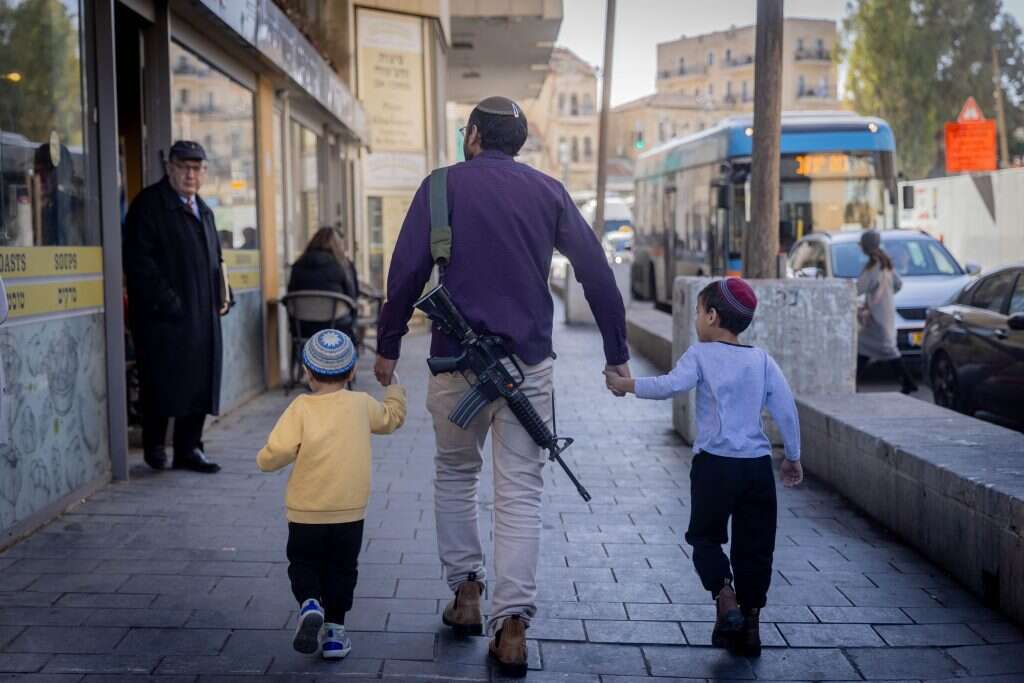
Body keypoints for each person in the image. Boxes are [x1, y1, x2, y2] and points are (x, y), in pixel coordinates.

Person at [374, 96, 629, 677]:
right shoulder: (548, 192)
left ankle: (467, 594)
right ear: (520, 143)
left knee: (456, 475)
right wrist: (616, 356)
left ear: (472, 136)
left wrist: (388, 346)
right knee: (520, 495)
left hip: (453, 365)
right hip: (528, 369)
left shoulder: (439, 188)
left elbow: (405, 272)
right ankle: (511, 626)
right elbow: (595, 271)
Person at [604, 278, 803, 658]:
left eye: (697, 312)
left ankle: (724, 596)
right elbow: (786, 410)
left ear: (712, 316)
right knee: (756, 548)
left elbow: (668, 385)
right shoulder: (762, 361)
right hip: (757, 469)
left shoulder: (701, 354)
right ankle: (751, 628)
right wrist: (792, 456)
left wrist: (624, 384)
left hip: (714, 466)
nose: (696, 319)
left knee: (706, 538)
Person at [257, 329, 406, 660]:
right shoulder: (362, 404)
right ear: (352, 371)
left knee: (303, 563)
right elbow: (391, 418)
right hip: (349, 514)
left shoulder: (301, 407)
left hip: (305, 511)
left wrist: (265, 460)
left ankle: (310, 602)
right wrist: (394, 387)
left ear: (308, 373)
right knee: (342, 570)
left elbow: (276, 452)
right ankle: (336, 635)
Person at [123, 140, 231, 473]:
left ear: (204, 173)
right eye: (184, 167)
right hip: (164, 318)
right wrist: (169, 302)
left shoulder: (205, 209)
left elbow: (216, 259)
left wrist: (224, 291)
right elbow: (139, 263)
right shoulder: (149, 206)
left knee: (198, 381)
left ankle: (189, 448)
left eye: (197, 168)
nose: (190, 174)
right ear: (169, 168)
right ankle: (155, 446)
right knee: (162, 380)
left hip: (202, 313)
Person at [856, 230, 918, 394]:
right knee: (863, 348)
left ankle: (909, 382)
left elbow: (858, 288)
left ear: (866, 246)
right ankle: (907, 383)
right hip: (885, 314)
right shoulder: (885, 264)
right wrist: (886, 296)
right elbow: (898, 284)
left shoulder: (872, 267)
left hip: (877, 317)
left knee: (886, 349)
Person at [287, 227, 360, 338]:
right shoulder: (343, 265)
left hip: (302, 327)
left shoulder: (298, 265)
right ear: (337, 244)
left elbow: (289, 296)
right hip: (336, 326)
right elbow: (352, 296)